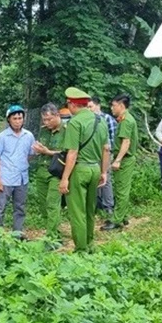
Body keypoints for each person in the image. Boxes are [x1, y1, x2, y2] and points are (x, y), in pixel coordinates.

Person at [58, 87, 110, 252]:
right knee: (89, 209)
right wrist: (104, 171)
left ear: (73, 104)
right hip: (95, 168)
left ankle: (81, 249)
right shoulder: (100, 120)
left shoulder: (75, 122)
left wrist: (65, 178)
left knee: (77, 212)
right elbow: (106, 148)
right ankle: (90, 244)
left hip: (80, 170)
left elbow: (72, 153)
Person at [0, 104, 35, 239]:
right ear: (9, 120)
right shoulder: (2, 137)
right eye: (14, 118)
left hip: (22, 178)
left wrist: (22, 164)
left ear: (23, 119)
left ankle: (17, 234)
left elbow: (31, 154)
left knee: (20, 207)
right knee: (0, 208)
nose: (17, 121)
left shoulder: (29, 136)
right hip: (6, 177)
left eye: (20, 118)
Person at [32, 103, 66, 247]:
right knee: (43, 205)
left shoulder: (67, 130)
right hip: (42, 170)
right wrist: (38, 150)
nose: (46, 122)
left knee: (53, 203)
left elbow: (67, 153)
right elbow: (41, 148)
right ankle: (55, 232)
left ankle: (51, 238)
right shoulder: (43, 131)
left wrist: (48, 152)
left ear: (57, 115)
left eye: (49, 119)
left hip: (56, 172)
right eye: (44, 120)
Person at [102, 94, 138, 231]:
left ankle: (117, 221)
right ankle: (122, 215)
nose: (112, 108)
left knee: (122, 190)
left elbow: (126, 142)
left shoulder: (126, 121)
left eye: (114, 105)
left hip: (125, 159)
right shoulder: (124, 119)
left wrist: (117, 160)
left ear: (121, 106)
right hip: (123, 158)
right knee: (119, 189)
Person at [88, 97, 117, 218]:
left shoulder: (107, 119)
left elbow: (113, 138)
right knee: (93, 178)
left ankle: (108, 206)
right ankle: (95, 204)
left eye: (90, 106)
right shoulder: (87, 121)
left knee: (106, 178)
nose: (88, 109)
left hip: (105, 153)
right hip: (91, 154)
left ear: (98, 106)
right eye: (87, 107)